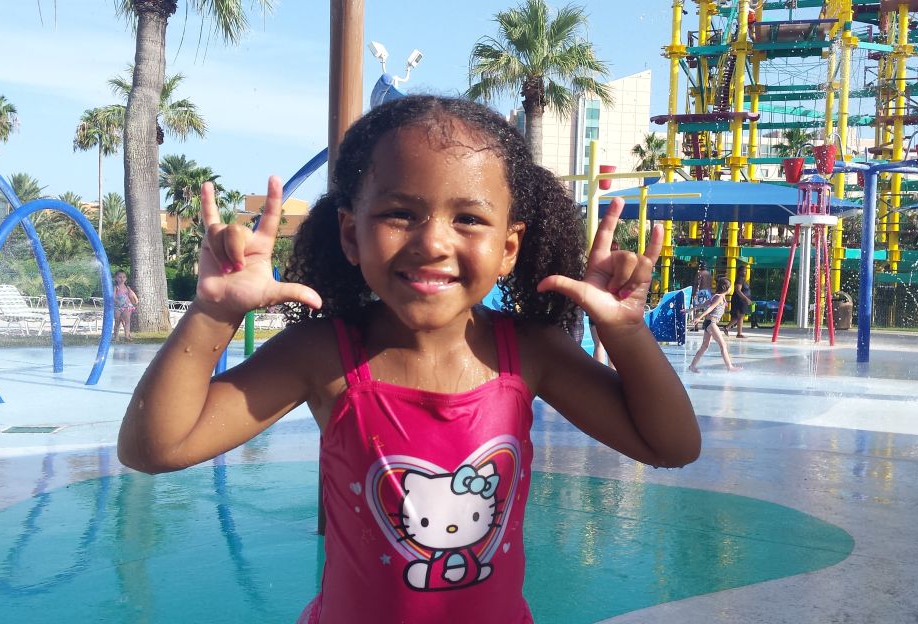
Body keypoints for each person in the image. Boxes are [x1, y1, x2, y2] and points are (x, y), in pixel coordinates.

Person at [118, 96, 699, 624]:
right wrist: (213, 312)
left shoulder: (527, 352)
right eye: (400, 213)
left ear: (508, 247)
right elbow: (153, 449)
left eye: (468, 218)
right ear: (351, 234)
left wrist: (624, 332)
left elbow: (671, 446)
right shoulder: (324, 356)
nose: (433, 243)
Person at [688, 276, 742, 373]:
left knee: (704, 346)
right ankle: (729, 367)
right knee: (723, 345)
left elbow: (703, 304)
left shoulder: (717, 296)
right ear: (727, 288)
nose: (731, 288)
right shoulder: (719, 297)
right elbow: (710, 308)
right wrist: (699, 317)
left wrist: (691, 309)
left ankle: (692, 366)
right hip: (711, 323)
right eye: (731, 287)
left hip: (708, 323)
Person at [590, 241, 621, 368]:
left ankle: (598, 376)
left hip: (596, 308)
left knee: (598, 345)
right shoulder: (619, 270)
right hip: (612, 310)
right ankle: (612, 375)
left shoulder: (596, 268)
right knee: (613, 347)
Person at [112, 270, 138, 341]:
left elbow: (132, 296)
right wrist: (116, 301)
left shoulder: (127, 287)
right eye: (120, 277)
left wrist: (135, 302)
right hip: (118, 306)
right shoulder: (116, 287)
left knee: (127, 321)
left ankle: (127, 335)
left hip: (126, 306)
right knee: (117, 321)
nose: (122, 279)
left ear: (126, 278)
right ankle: (116, 336)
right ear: (116, 278)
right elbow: (113, 297)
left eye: (123, 277)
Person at [728, 266, 754, 338]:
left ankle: (736, 332)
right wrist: (746, 299)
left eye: (745, 271)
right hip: (738, 300)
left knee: (740, 316)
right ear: (739, 271)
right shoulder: (739, 279)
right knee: (739, 316)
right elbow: (738, 290)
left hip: (742, 301)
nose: (744, 272)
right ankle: (735, 331)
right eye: (743, 271)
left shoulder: (743, 279)